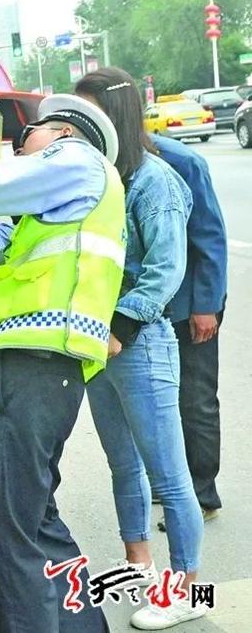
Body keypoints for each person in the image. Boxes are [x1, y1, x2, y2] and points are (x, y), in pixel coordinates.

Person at [0, 89, 126, 633]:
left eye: (27, 133)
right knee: (33, 520)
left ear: (63, 132)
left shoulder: (78, 161)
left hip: (27, 373)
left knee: (10, 537)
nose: (17, 142)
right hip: (40, 374)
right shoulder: (53, 215)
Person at [74, 68, 206, 630]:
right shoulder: (99, 178)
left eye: (87, 115)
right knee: (122, 465)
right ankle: (139, 565)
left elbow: (165, 271)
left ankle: (188, 590)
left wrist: (120, 329)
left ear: (114, 116)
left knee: (168, 476)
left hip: (138, 344)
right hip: (95, 344)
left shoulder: (156, 182)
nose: (77, 126)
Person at [150, 134, 227, 530]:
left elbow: (210, 239)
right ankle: (171, 484)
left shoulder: (182, 162)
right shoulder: (109, 157)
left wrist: (205, 306)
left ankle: (201, 495)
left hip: (192, 304)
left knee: (194, 399)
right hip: (150, 304)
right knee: (157, 397)